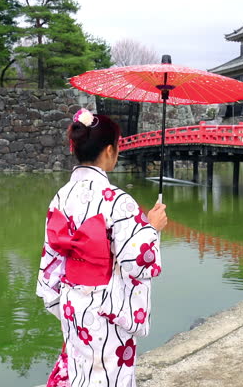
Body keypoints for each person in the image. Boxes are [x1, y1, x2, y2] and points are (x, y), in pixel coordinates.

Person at [37, 108, 167, 387]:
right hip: (107, 307)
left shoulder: (60, 197)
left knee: (82, 373)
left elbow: (52, 258)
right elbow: (137, 262)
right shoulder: (117, 200)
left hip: (73, 302)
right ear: (109, 150)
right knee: (109, 377)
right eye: (117, 147)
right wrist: (151, 228)